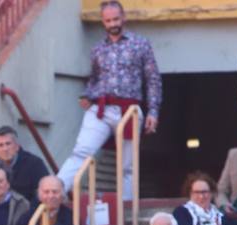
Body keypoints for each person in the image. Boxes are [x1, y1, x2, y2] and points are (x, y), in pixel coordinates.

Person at [54, 1, 161, 199]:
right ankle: (54, 190)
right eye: (108, 20)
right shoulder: (97, 49)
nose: (113, 23)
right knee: (82, 151)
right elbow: (94, 79)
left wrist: (153, 111)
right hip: (101, 108)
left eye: (116, 19)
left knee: (127, 166)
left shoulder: (140, 44)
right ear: (103, 22)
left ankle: (127, 209)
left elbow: (153, 79)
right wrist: (88, 94)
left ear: (124, 18)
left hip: (129, 110)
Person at [0, 126, 50, 206]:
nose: (5, 149)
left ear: (17, 146)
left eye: (8, 144)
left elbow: (44, 194)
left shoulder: (35, 164)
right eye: (0, 145)